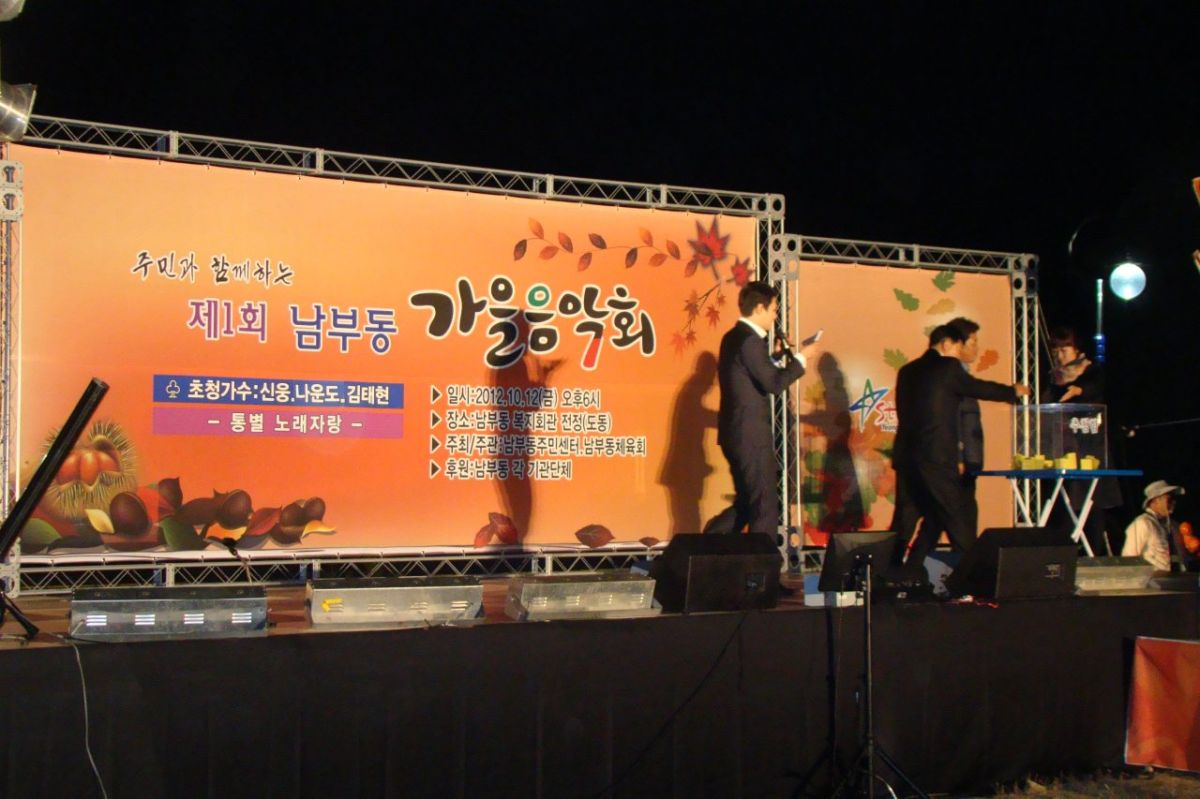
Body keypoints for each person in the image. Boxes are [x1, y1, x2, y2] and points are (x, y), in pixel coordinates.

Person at [890, 324, 1030, 566]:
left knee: (908, 519)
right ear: (946, 344)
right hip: (936, 457)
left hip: (907, 456)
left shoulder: (907, 371)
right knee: (957, 517)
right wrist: (1012, 391)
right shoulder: (948, 368)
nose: (960, 353)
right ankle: (972, 572)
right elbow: (976, 388)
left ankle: (892, 570)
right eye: (959, 346)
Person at [707, 281, 818, 538]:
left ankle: (708, 540)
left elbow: (753, 375)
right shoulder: (750, 340)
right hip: (751, 436)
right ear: (759, 308)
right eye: (774, 310)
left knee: (748, 503)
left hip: (736, 434)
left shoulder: (733, 337)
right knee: (764, 505)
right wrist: (801, 358)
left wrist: (776, 359)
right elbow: (774, 384)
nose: (775, 316)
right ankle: (761, 561)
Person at [1042, 326, 1122, 555]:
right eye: (1056, 351)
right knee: (1066, 503)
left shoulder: (1092, 371)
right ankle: (1064, 553)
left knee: (1092, 503)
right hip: (1064, 448)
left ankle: (1093, 553)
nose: (1060, 355)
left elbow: (1093, 388)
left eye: (1064, 350)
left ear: (1077, 350)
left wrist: (1077, 390)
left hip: (1090, 447)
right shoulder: (1053, 377)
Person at [1121, 480, 1186, 572]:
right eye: (1169, 499)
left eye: (1174, 499)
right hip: (1153, 578)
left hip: (1177, 578)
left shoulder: (1174, 525)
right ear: (1155, 501)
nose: (1174, 502)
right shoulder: (1143, 523)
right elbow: (1129, 559)